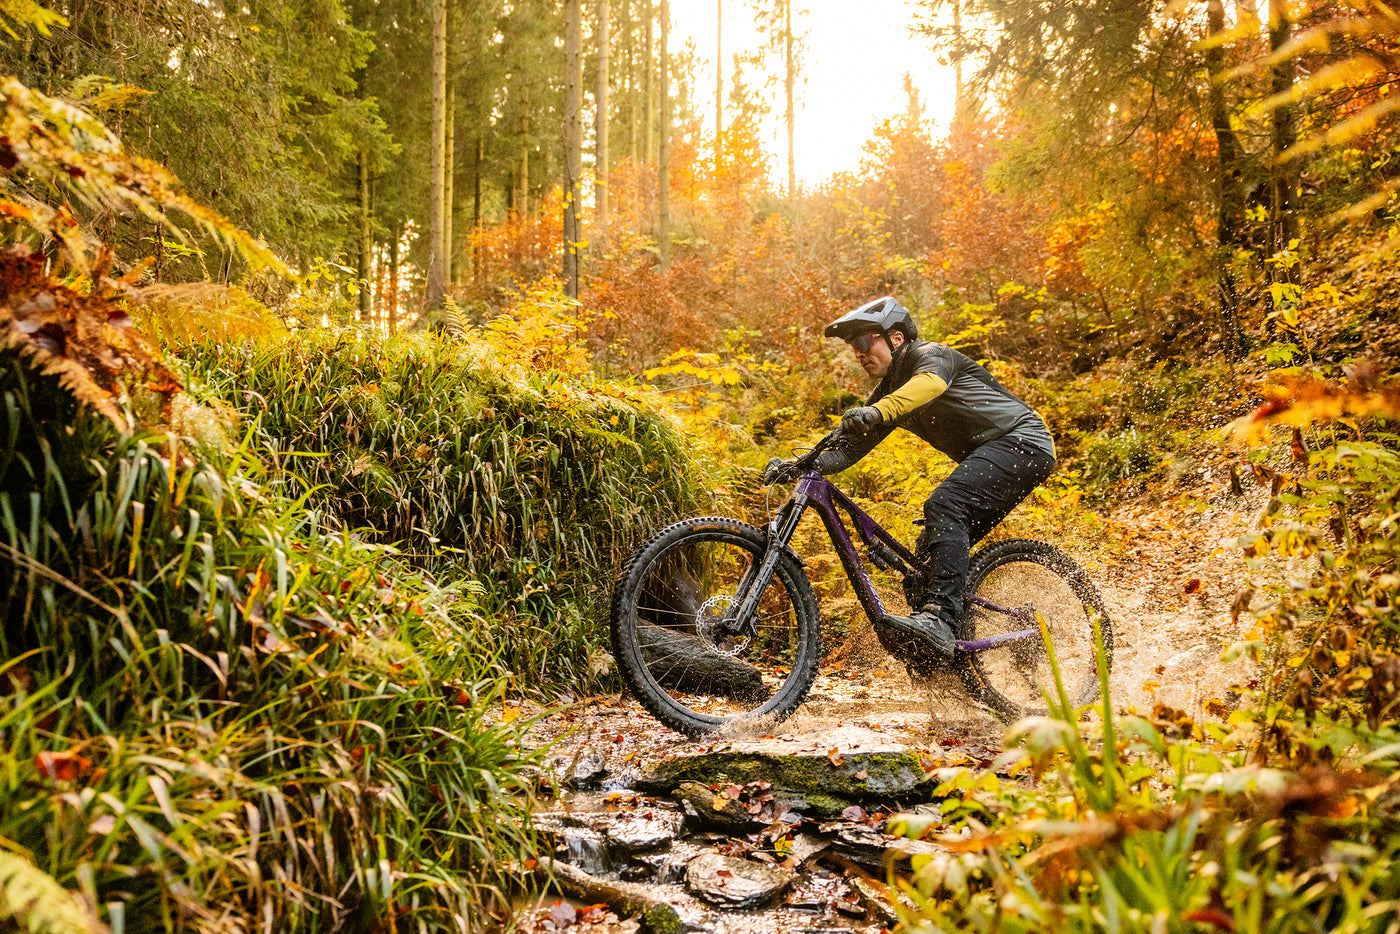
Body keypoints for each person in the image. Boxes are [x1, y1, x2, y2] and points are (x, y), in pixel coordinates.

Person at [766, 296, 1056, 672]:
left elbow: (930, 385)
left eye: (862, 343)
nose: (858, 354)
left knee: (944, 504)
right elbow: (847, 452)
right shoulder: (889, 392)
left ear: (896, 338)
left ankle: (940, 620)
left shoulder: (931, 356)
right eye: (853, 348)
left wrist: (877, 411)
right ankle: (947, 658)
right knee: (925, 566)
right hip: (999, 454)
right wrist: (799, 465)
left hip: (1023, 442)